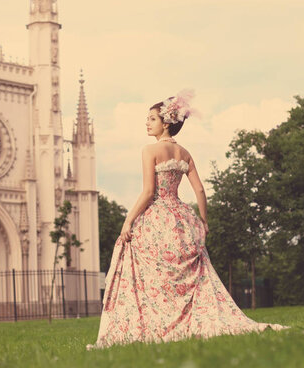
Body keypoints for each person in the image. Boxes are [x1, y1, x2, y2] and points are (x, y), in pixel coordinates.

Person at [87, 89, 288, 350]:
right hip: (180, 219)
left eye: (151, 119)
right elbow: (200, 190)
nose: (147, 123)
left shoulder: (150, 151)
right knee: (182, 275)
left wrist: (128, 221)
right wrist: (203, 221)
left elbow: (149, 192)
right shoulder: (185, 153)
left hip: (157, 217)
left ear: (166, 122)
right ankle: (183, 320)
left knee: (151, 273)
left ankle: (155, 323)